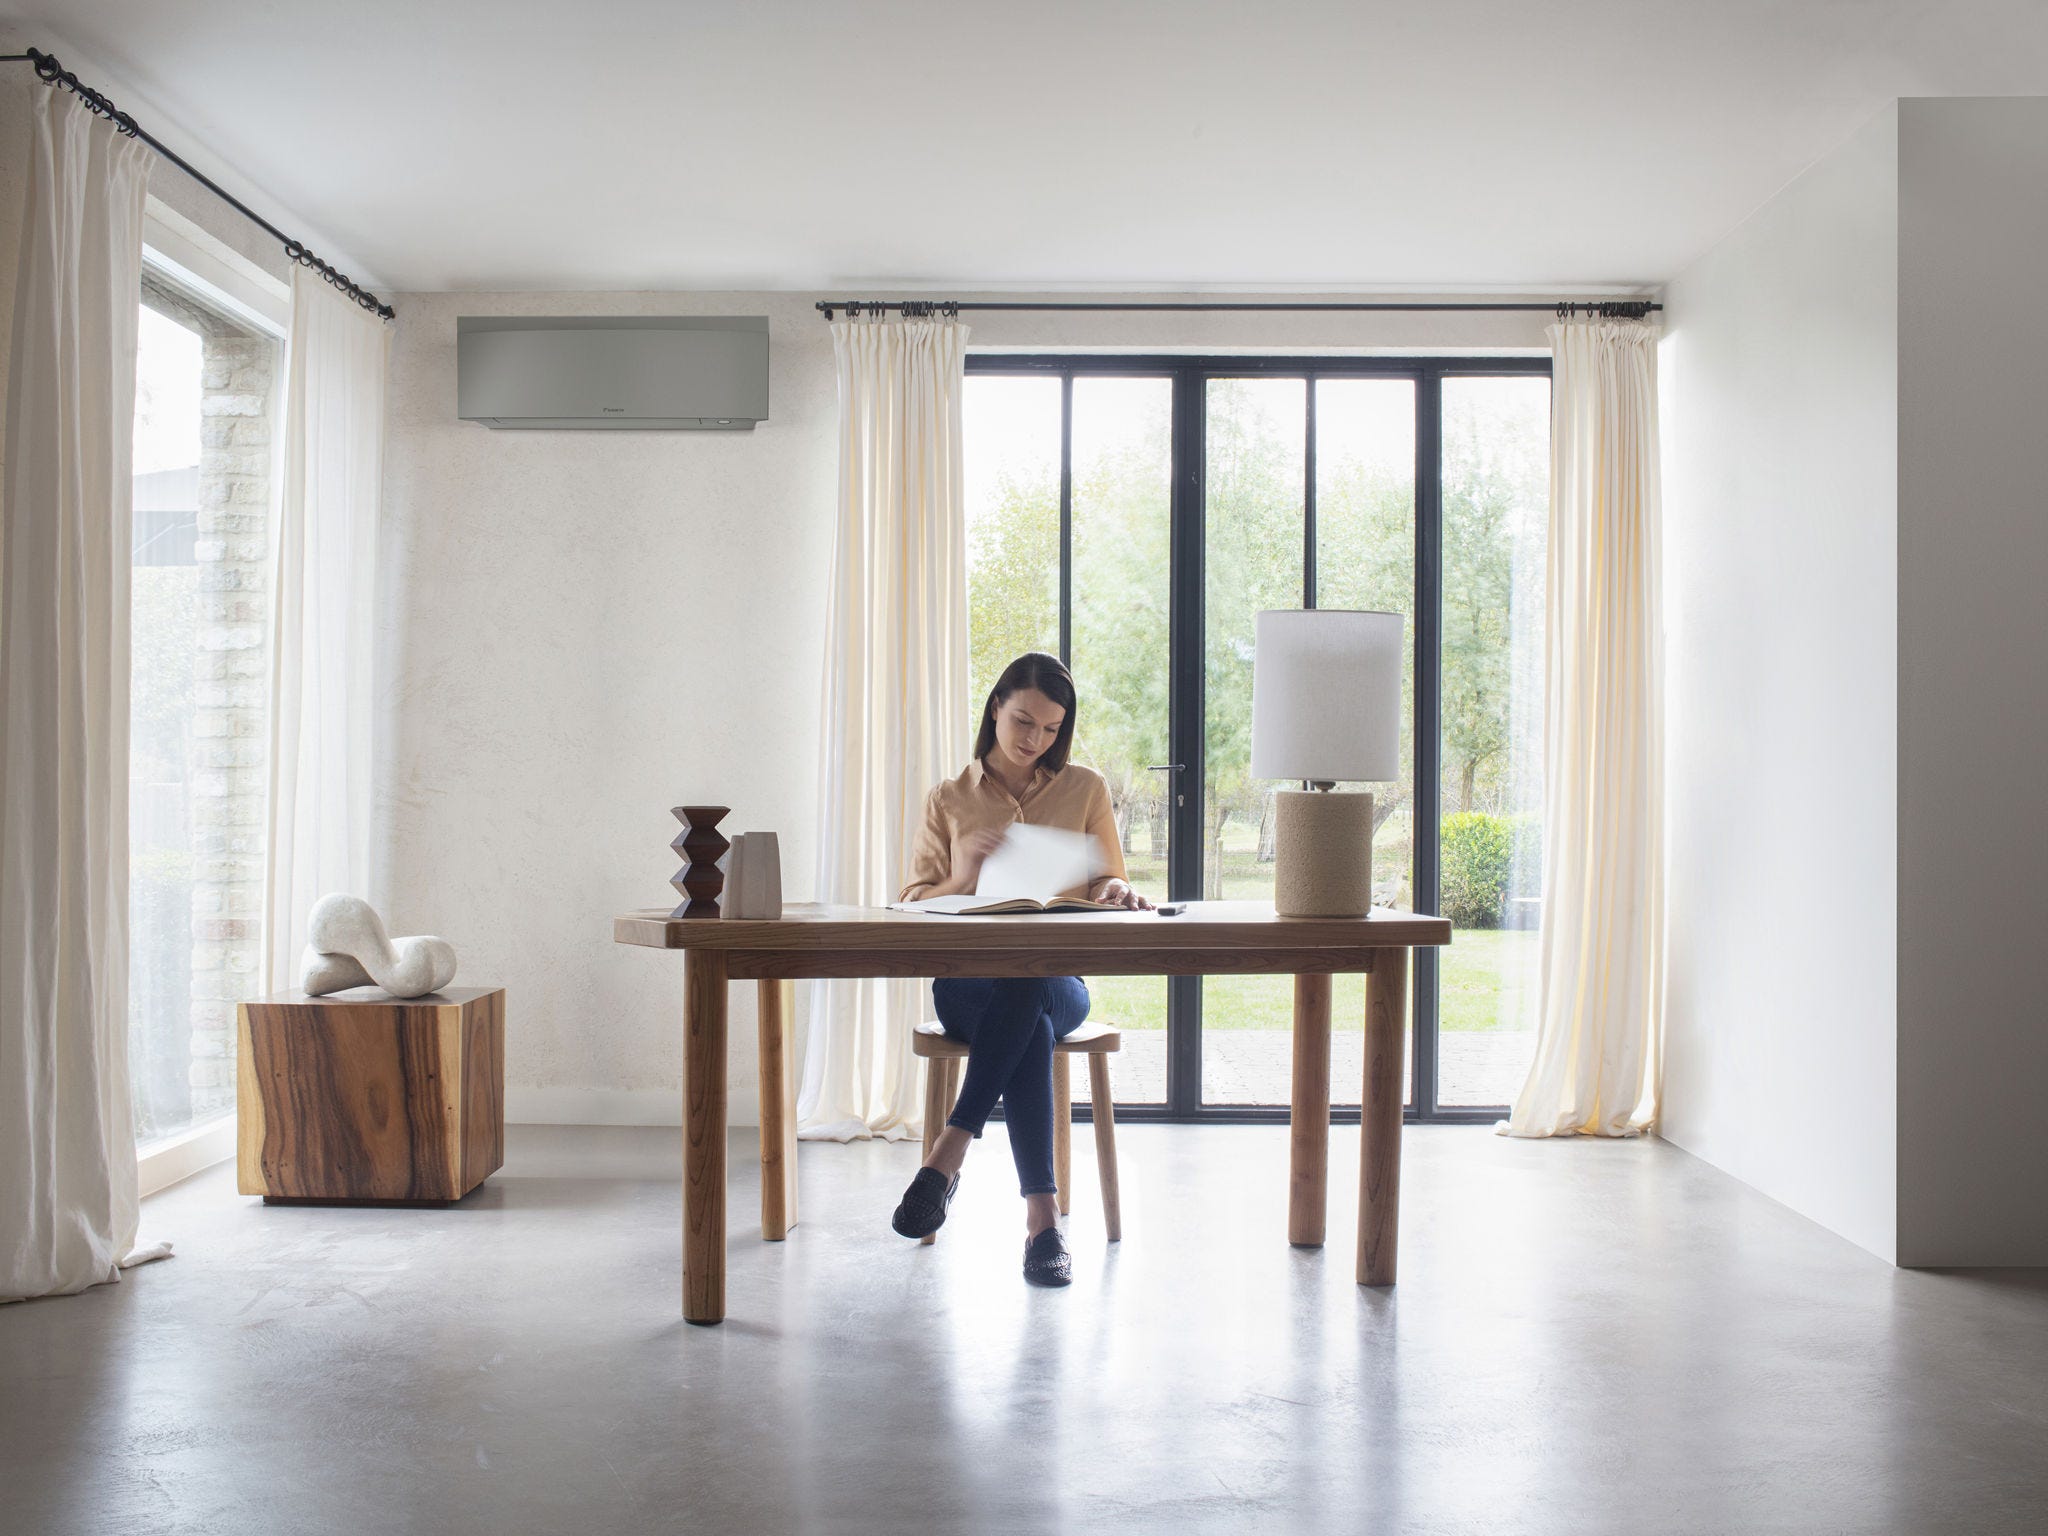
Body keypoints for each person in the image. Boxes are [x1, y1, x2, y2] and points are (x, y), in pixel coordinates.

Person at [889, 652, 1153, 1286]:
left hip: (1062, 983)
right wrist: (962, 875)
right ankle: (1043, 1223)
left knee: (1032, 980)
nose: (1035, 740)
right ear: (995, 709)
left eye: (1051, 729)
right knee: (1025, 1019)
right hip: (967, 985)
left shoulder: (1084, 787)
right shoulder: (949, 798)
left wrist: (1115, 889)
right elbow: (911, 902)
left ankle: (947, 1156)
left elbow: (1107, 876)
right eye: (1023, 721)